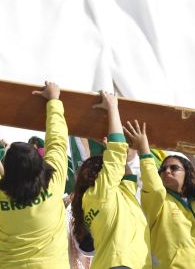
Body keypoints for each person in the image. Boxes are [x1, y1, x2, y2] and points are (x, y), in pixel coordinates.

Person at [0, 81, 70, 268]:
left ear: (8, 169)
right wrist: (54, 101)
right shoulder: (54, 183)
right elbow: (57, 142)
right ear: (39, 166)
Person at [71, 90, 151, 268]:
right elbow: (117, 149)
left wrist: (111, 151)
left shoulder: (102, 196)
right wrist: (113, 107)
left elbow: (128, 174)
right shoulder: (102, 191)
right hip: (120, 264)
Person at [124, 120, 195, 268]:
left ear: (188, 174)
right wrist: (144, 149)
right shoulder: (157, 200)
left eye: (174, 168)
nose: (167, 171)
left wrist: (188, 151)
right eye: (163, 169)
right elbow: (153, 184)